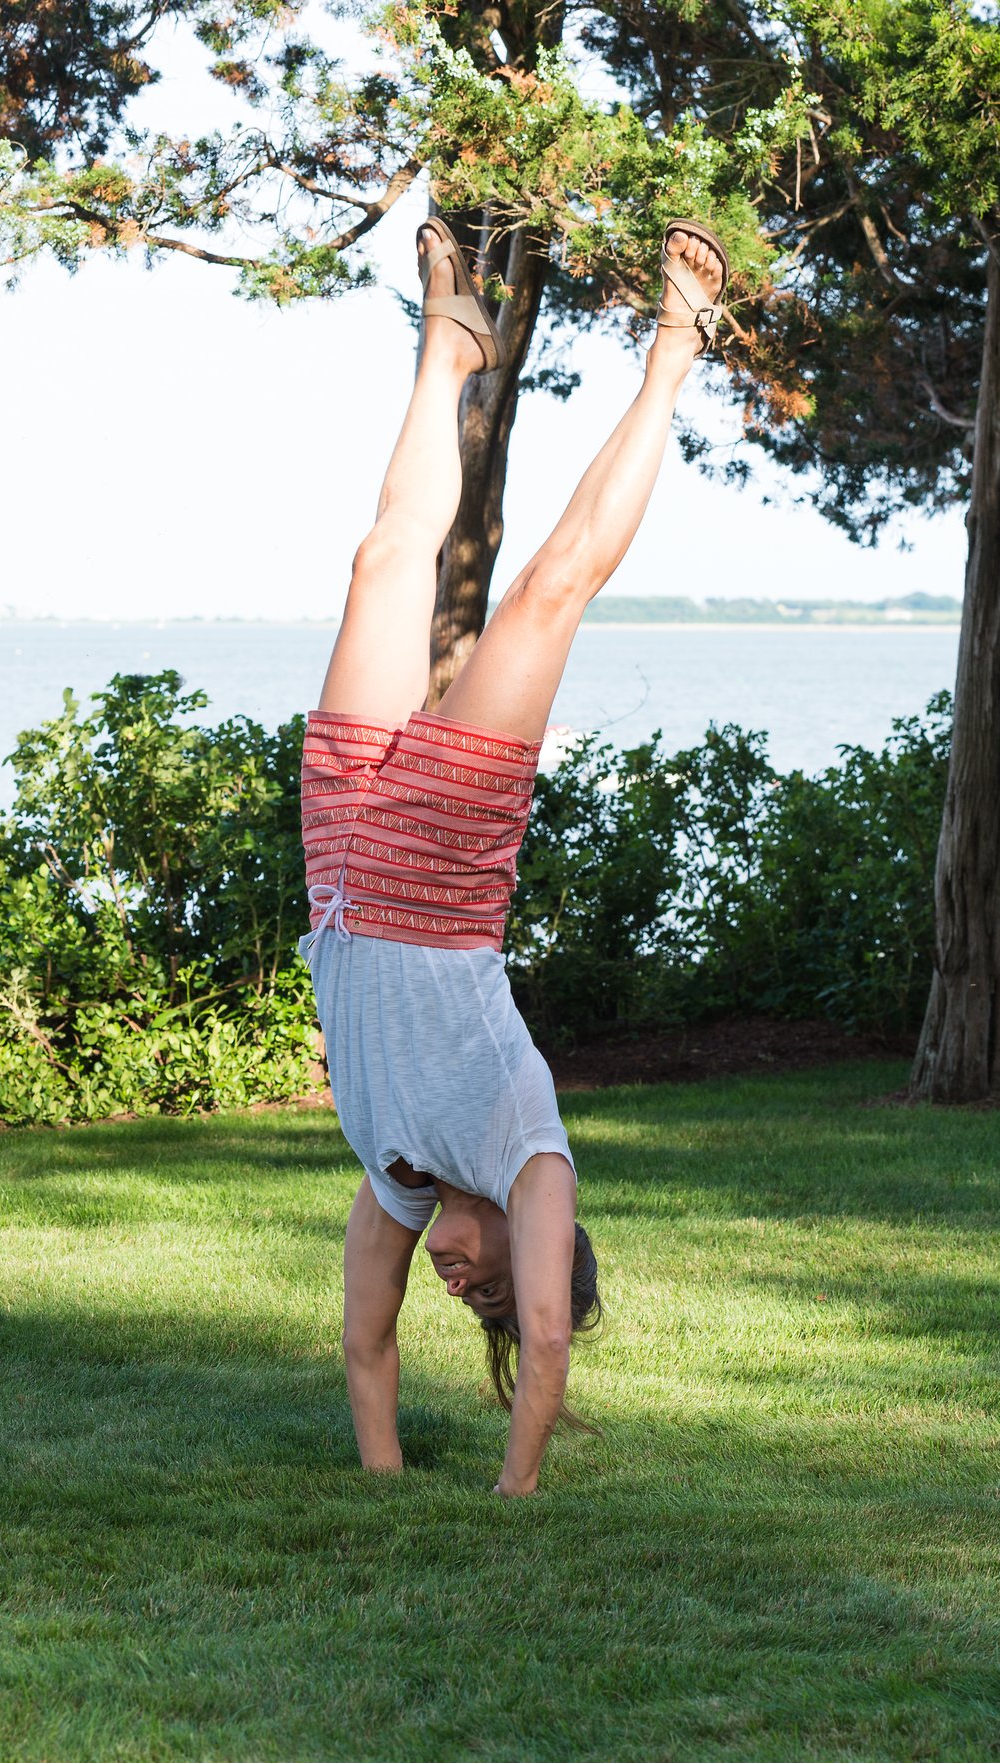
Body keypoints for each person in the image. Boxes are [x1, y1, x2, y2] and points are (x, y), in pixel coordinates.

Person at [298, 212, 729, 1494]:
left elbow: (362, 1338)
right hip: (438, 872)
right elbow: (547, 1336)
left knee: (381, 566)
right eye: (488, 1275)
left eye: (463, 1290)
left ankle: (451, 344)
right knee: (544, 592)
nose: (462, 1276)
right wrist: (515, 1484)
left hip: (334, 866)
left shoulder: (396, 1172)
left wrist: (382, 1478)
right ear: (537, 1237)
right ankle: (674, 348)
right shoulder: (526, 1149)